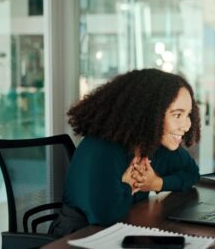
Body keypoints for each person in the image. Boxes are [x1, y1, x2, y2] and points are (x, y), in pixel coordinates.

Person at [49, 69, 201, 237]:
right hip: (78, 238)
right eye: (177, 115)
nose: (186, 126)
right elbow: (106, 217)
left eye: (188, 115)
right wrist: (127, 186)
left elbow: (192, 173)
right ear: (150, 113)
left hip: (125, 232)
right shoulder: (103, 148)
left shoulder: (155, 145)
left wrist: (156, 183)